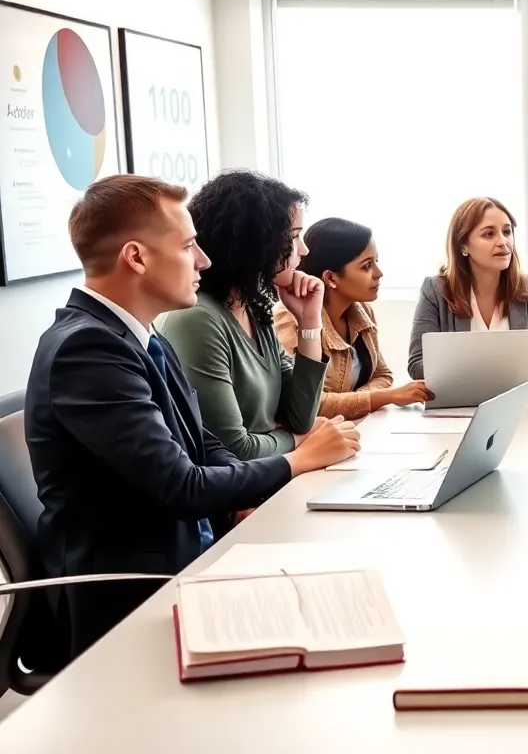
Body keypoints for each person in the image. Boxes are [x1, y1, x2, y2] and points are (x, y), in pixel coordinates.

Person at [26, 175, 360, 658]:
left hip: (186, 560)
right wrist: (296, 460)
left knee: (332, 591)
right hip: (128, 595)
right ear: (136, 257)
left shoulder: (140, 337)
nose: (203, 260)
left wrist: (249, 487)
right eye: (187, 247)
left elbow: (205, 445)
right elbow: (180, 485)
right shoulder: (87, 349)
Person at [158, 169, 329, 460]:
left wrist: (309, 322)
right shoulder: (197, 319)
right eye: (294, 237)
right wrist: (300, 440)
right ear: (255, 244)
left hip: (272, 476)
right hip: (243, 484)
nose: (304, 249)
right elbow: (235, 449)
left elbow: (301, 417)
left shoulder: (253, 309)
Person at [275, 217, 432, 419]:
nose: (379, 273)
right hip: (318, 433)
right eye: (366, 266)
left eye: (376, 262)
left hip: (356, 424)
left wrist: (356, 402)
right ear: (331, 278)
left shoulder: (362, 310)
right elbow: (309, 404)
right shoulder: (289, 317)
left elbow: (382, 375)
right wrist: (385, 397)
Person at [407, 197, 528, 381]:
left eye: (507, 232)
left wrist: (516, 371)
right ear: (463, 245)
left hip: (517, 395)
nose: (503, 242)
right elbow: (417, 364)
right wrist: (486, 374)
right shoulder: (435, 290)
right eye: (489, 234)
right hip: (461, 397)